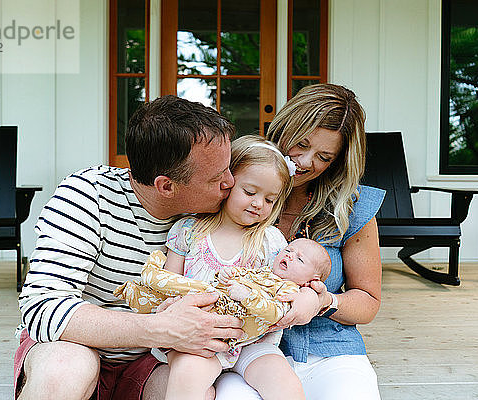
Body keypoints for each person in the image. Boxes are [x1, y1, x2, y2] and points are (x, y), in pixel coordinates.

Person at [13, 95, 245, 400]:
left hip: (152, 361)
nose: (231, 183)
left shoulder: (219, 213)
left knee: (197, 390)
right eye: (217, 178)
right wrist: (162, 327)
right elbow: (43, 309)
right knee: (64, 369)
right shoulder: (87, 196)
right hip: (75, 348)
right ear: (166, 186)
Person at [214, 83, 385, 400]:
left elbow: (368, 302)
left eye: (323, 156)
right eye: (300, 144)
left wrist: (324, 302)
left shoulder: (353, 208)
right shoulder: (235, 188)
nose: (305, 161)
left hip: (328, 350)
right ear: (282, 129)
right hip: (239, 353)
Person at [116, 135, 309, 400]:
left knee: (286, 385)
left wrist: (300, 296)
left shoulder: (269, 240)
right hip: (198, 340)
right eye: (250, 192)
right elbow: (169, 283)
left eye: (270, 200)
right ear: (228, 183)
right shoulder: (189, 231)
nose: (258, 204)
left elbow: (283, 284)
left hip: (251, 339)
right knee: (186, 381)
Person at [114, 237, 332, 360]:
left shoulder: (290, 293)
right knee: (184, 294)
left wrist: (247, 296)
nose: (289, 255)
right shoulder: (265, 272)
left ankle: (151, 278)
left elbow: (272, 312)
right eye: (289, 250)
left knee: (184, 293)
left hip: (228, 320)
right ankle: (141, 292)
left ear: (310, 280)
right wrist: (227, 275)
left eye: (299, 259)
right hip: (220, 300)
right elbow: (240, 275)